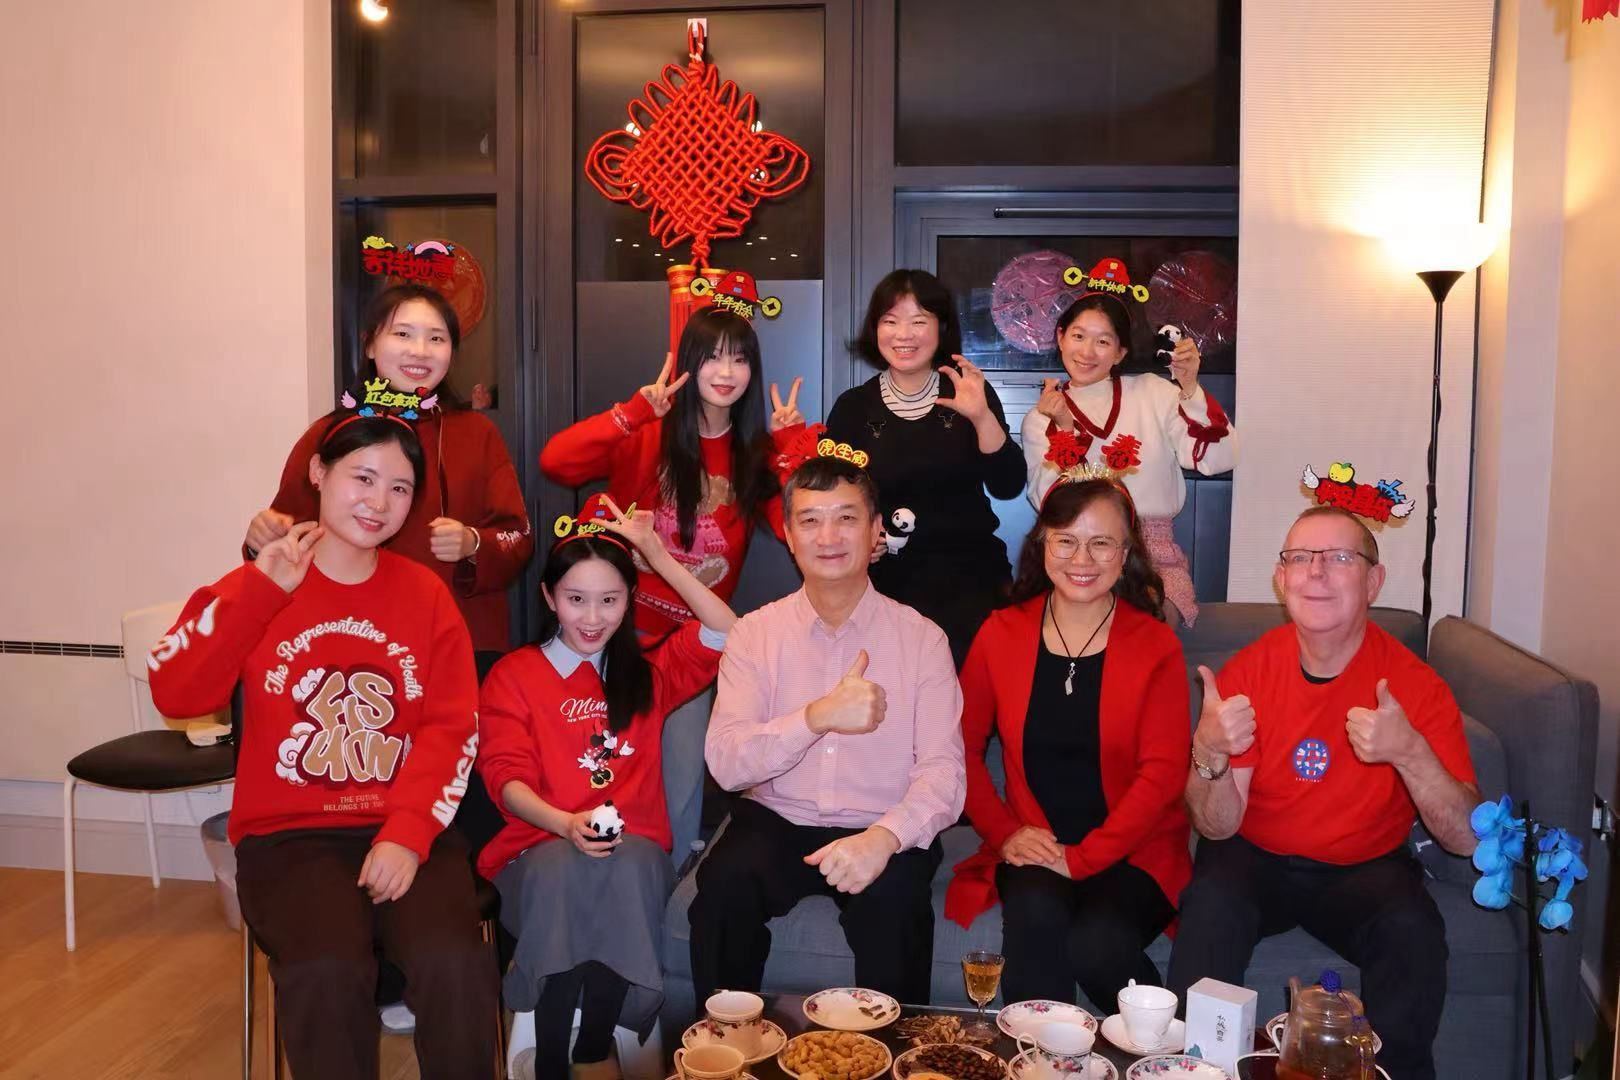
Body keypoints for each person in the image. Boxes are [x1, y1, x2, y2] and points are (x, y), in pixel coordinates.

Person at [149, 410, 495, 1080]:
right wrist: (258, 590)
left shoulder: (424, 595)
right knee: (327, 969)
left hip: (405, 828)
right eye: (362, 477)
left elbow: (451, 726)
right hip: (289, 837)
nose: (378, 501)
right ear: (318, 473)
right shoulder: (261, 582)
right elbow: (176, 692)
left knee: (453, 962)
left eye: (399, 488)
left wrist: (407, 834)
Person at [1167, 506, 1479, 1080]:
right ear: (1281, 578)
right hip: (1253, 855)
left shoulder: (1415, 685)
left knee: (1412, 932)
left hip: (1365, 866)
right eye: (1299, 558)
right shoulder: (1248, 673)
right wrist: (1208, 752)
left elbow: (1466, 840)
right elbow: (1217, 827)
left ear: (1373, 581)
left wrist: (1410, 752)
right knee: (1211, 907)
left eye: (1338, 558)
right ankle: (1194, 1070)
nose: (1315, 572)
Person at [689, 455, 966, 1007]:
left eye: (847, 518)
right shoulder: (754, 634)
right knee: (722, 892)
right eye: (811, 520)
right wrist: (817, 717)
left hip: (879, 820)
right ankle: (725, 1044)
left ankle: (892, 1053)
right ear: (789, 536)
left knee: (895, 908)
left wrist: (885, 838)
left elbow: (944, 774)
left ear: (876, 530)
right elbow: (726, 762)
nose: (829, 536)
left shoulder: (922, 639)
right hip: (777, 818)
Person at [476, 495, 737, 1080]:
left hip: (631, 856)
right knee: (562, 872)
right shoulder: (514, 675)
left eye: (610, 600)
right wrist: (565, 824)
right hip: (535, 852)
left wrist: (655, 555)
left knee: (630, 867)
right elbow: (505, 778)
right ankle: (552, 1060)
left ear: (630, 598)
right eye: (576, 599)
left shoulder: (648, 673)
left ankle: (592, 1050)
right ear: (549, 597)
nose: (592, 617)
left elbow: (727, 631)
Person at [539, 307, 803, 861]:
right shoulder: (649, 433)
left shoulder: (754, 455)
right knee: (599, 770)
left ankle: (671, 877)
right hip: (615, 634)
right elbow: (556, 462)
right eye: (712, 357)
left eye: (739, 359)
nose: (725, 371)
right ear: (689, 363)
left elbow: (798, 531)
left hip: (693, 647)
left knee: (681, 784)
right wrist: (633, 412)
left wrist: (791, 450)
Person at [945, 470, 1192, 1013]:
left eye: (1101, 543)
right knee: (1035, 919)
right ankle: (1039, 1056)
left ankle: (1167, 1049)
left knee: (1098, 947)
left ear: (1126, 553)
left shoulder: (1156, 645)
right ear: (1043, 544)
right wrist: (1005, 833)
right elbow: (958, 750)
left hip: (1136, 850)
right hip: (1035, 842)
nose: (1083, 559)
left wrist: (1084, 859)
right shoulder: (1000, 632)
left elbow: (1163, 775)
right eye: (1066, 540)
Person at [246, 283, 534, 673]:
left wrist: (472, 543)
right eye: (402, 334)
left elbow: (518, 537)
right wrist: (261, 540)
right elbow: (285, 538)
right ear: (369, 345)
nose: (420, 350)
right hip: (343, 639)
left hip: (459, 638)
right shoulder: (330, 434)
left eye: (436, 338)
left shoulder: (477, 433)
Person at [825, 269, 1026, 667]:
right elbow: (834, 500)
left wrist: (981, 416)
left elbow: (1008, 485)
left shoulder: (970, 393)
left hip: (971, 582)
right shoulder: (853, 407)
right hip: (884, 586)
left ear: (941, 327)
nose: (904, 334)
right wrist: (863, 538)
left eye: (919, 321)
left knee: (967, 699)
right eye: (891, 321)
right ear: (875, 329)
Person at [1022, 293, 1236, 626]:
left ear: (1120, 352)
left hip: (1153, 556)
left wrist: (1190, 387)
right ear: (1060, 337)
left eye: (1103, 341)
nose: (1087, 352)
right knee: (1076, 630)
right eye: (1078, 336)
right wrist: (1064, 428)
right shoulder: (1041, 417)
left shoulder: (1154, 393)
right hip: (1075, 556)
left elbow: (1218, 457)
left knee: (1143, 627)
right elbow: (1050, 504)